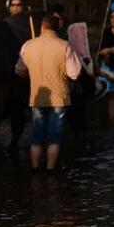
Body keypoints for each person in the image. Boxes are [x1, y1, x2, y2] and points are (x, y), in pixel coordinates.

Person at [15, 15, 82, 171]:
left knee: (36, 136)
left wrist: (29, 73)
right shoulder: (65, 45)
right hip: (59, 97)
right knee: (54, 137)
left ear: (42, 27)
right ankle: (51, 170)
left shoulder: (27, 45)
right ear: (57, 28)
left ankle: (35, 169)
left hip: (37, 98)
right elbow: (74, 73)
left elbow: (19, 70)